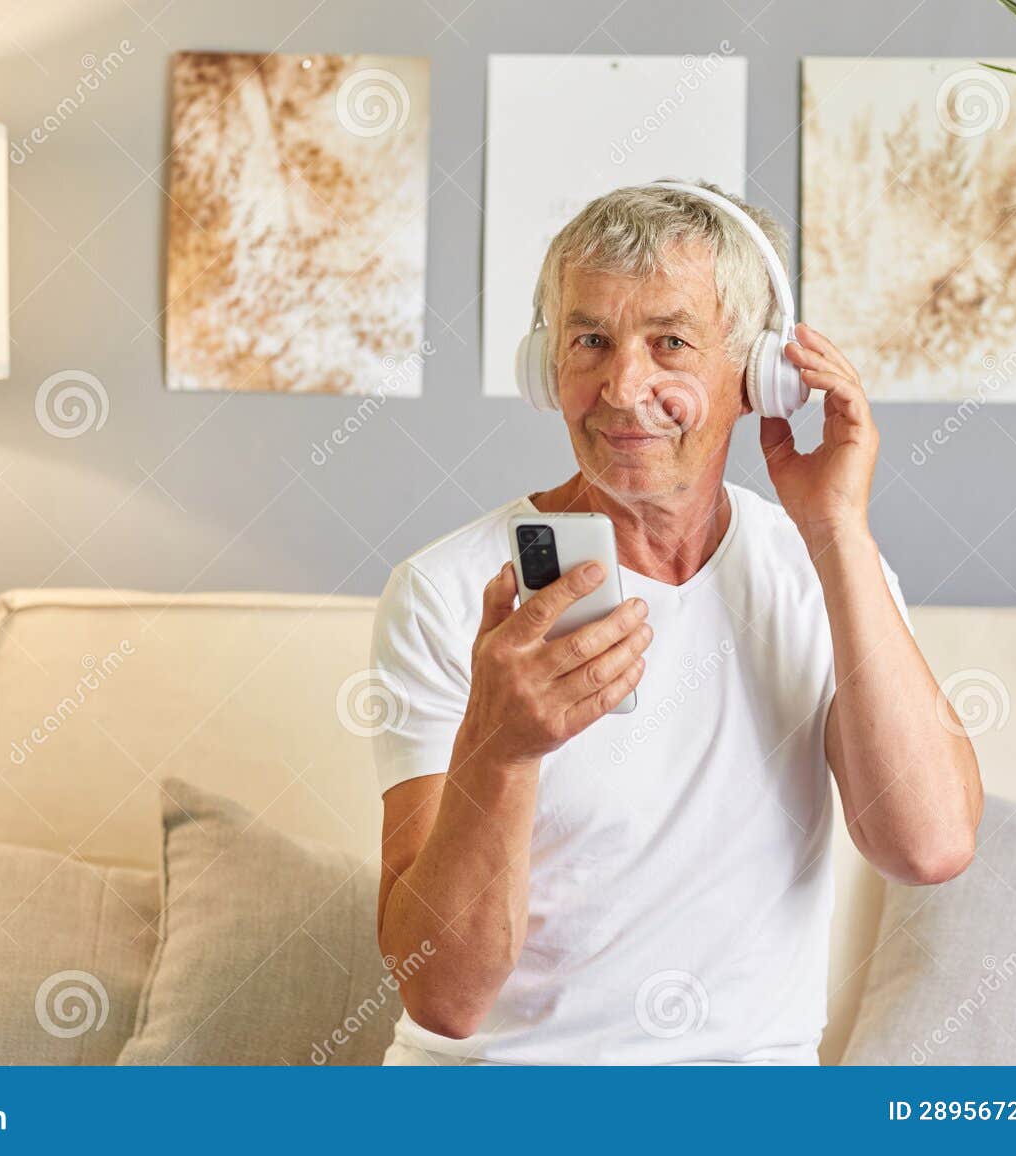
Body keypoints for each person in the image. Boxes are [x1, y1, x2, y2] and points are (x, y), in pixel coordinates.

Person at [370, 180, 983, 1064]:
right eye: (590, 341)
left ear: (759, 375)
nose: (623, 387)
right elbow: (444, 999)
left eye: (670, 342)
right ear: (548, 367)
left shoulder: (820, 570)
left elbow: (926, 846)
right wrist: (498, 753)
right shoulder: (449, 590)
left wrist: (837, 530)